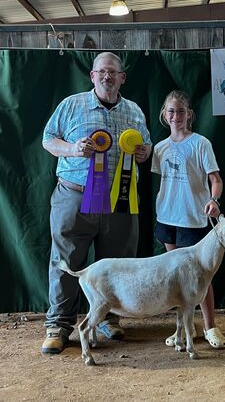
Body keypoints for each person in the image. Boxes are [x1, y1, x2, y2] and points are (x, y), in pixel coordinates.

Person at [41, 52, 152, 354]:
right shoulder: (71, 104)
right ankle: (59, 325)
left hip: (121, 198)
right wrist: (73, 149)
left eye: (113, 72)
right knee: (66, 262)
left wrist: (144, 153)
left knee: (119, 264)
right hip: (75, 196)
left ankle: (111, 320)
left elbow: (146, 144)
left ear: (122, 78)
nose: (107, 76)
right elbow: (48, 140)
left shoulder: (134, 111)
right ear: (92, 76)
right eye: (101, 72)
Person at [151, 90, 225, 349]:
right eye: (171, 111)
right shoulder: (160, 148)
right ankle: (184, 329)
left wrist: (213, 201)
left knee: (201, 279)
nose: (176, 116)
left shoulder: (201, 143)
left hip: (194, 220)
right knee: (176, 279)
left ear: (189, 115)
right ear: (165, 115)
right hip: (167, 219)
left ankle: (210, 327)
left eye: (181, 111)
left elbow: (215, 180)